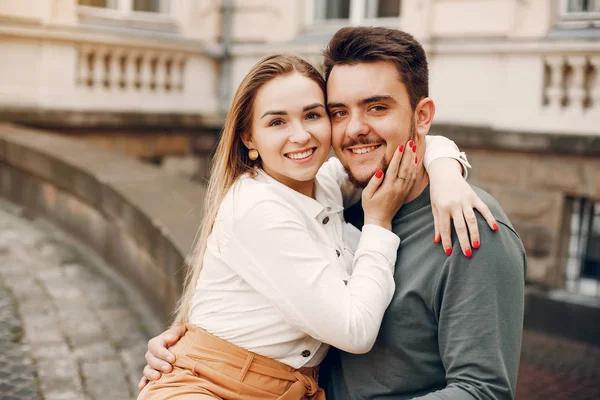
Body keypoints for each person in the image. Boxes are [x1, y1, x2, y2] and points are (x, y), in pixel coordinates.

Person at [143, 27, 527, 400]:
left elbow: (483, 390)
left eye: (377, 107)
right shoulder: (352, 200)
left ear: (421, 116)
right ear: (249, 139)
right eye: (339, 112)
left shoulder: (466, 223)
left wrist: (445, 164)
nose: (354, 130)